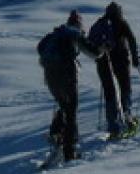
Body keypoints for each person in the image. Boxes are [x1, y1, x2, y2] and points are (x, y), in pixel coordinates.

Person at [37, 10, 104, 161]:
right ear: (79, 25)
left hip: (50, 74)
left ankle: (56, 132)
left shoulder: (55, 34)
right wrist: (102, 50)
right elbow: (94, 52)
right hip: (66, 73)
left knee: (64, 105)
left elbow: (40, 48)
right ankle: (69, 151)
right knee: (71, 110)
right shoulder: (74, 33)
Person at [88, 2, 140, 138]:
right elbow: (132, 39)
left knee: (110, 92)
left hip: (102, 62)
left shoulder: (99, 24)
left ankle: (113, 126)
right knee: (125, 88)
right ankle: (127, 118)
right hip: (121, 61)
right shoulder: (121, 22)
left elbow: (90, 43)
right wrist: (135, 58)